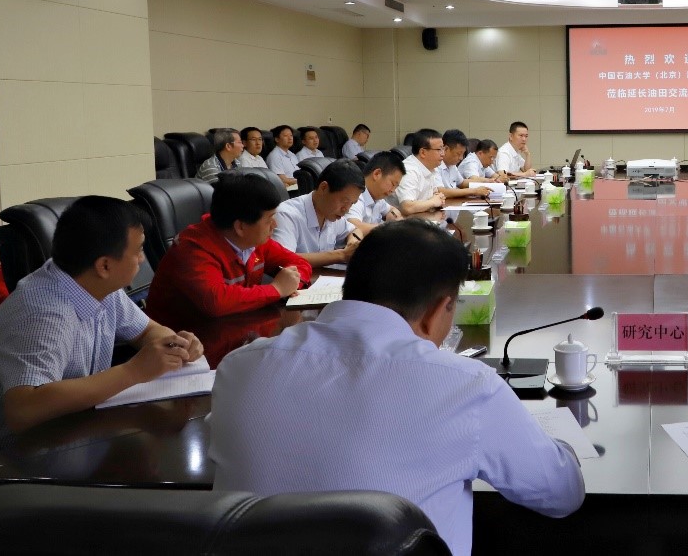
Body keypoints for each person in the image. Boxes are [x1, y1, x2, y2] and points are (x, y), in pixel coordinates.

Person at [209, 219, 585, 556]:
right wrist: (559, 446)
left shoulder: (239, 368)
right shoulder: (465, 386)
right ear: (439, 310)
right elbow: (561, 493)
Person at [0, 197, 204, 445]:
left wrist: (175, 345)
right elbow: (23, 410)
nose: (142, 259)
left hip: (66, 428)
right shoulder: (43, 313)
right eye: (138, 250)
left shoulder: (95, 283)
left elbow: (145, 330)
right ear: (104, 265)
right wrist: (134, 371)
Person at [146, 173, 311, 327]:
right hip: (183, 339)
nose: (275, 225)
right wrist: (277, 289)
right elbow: (216, 302)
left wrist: (293, 283)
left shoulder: (254, 240)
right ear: (240, 227)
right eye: (269, 219)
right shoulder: (192, 249)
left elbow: (299, 262)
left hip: (236, 328)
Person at [273, 159, 364, 268]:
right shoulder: (286, 214)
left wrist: (353, 244)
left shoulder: (332, 214)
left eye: (352, 203)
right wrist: (341, 255)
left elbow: (355, 230)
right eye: (344, 201)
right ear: (323, 188)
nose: (346, 210)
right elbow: (283, 259)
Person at [346, 151, 406, 235]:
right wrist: (390, 227)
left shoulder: (377, 197)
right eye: (393, 184)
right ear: (377, 174)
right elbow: (353, 226)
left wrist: (394, 215)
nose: (393, 190)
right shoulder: (356, 196)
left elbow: (392, 209)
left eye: (396, 187)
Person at [391, 129, 448, 216]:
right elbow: (407, 207)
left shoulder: (430, 168)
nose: (443, 154)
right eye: (439, 149)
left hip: (420, 218)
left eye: (443, 149)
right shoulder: (409, 171)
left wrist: (437, 198)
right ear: (423, 152)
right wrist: (433, 202)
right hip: (400, 221)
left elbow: (435, 195)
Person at [437, 129, 490, 200]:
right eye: (458, 154)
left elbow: (462, 183)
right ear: (446, 149)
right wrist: (474, 191)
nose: (461, 158)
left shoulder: (452, 165)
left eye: (463, 154)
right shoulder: (435, 165)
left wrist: (487, 183)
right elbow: (442, 192)